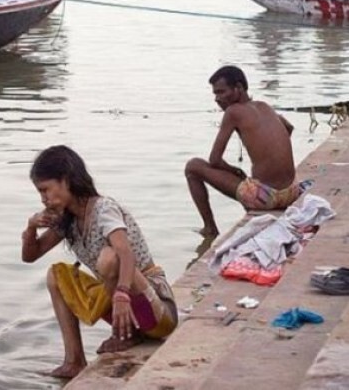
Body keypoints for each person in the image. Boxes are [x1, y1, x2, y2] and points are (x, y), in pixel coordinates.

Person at [21, 145, 178, 380]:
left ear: (66, 181)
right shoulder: (68, 219)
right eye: (40, 193)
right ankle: (74, 360)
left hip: (157, 313)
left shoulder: (104, 209)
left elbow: (125, 254)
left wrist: (123, 293)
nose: (44, 199)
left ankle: (126, 334)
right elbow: (31, 255)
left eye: (46, 190)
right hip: (124, 311)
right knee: (56, 275)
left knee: (109, 257)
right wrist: (31, 226)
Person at [185, 65, 301, 238]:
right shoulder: (264, 105)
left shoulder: (233, 112)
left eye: (221, 92)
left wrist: (235, 170)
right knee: (247, 180)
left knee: (193, 167)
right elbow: (289, 128)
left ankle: (210, 228)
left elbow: (215, 160)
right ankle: (253, 198)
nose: (217, 99)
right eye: (215, 94)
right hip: (291, 192)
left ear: (238, 88)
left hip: (268, 198)